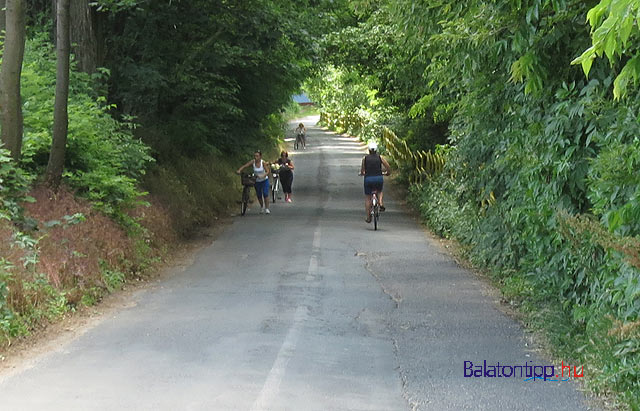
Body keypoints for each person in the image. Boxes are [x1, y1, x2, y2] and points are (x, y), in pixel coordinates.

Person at [360, 141, 391, 223]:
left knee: (368, 197)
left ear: (369, 150)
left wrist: (362, 173)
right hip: (378, 178)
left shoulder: (365, 159)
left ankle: (368, 217)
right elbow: (387, 166)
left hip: (368, 179)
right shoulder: (380, 158)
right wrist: (388, 173)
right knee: (380, 191)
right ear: (376, 150)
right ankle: (380, 202)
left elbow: (363, 170)